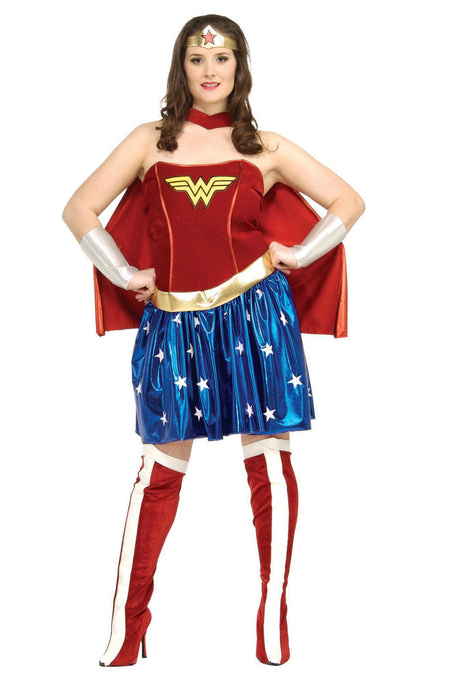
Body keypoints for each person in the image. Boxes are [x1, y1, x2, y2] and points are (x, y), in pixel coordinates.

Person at [62, 13, 365, 667]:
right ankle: (126, 630)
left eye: (222, 58)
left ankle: (272, 623)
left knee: (270, 469)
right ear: (182, 67)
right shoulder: (149, 141)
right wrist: (124, 273)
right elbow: (78, 209)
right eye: (197, 59)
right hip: (174, 324)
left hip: (257, 321)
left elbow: (348, 201)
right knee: (158, 472)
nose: (209, 70)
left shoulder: (267, 147)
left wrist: (300, 251)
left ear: (238, 67)